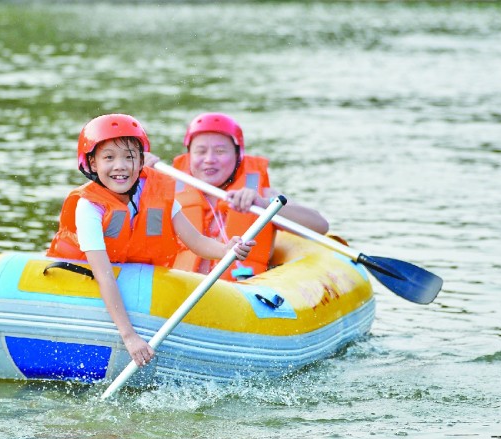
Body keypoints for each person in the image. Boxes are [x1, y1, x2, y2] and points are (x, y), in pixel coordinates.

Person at [47, 113, 254, 368]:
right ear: (92, 163)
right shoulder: (89, 206)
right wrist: (129, 336)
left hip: (137, 283)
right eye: (109, 157)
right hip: (86, 284)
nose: (120, 166)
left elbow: (197, 241)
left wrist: (227, 249)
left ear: (141, 161)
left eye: (129, 157)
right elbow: (104, 275)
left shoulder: (156, 192)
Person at [171, 112, 329, 279]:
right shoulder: (170, 196)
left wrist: (264, 205)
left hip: (240, 290)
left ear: (237, 154)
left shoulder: (264, 195)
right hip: (179, 287)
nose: (209, 159)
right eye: (200, 151)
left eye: (220, 151)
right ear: (189, 155)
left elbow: (320, 226)